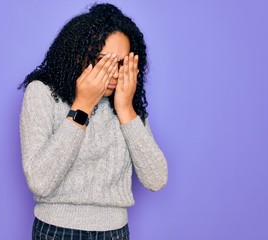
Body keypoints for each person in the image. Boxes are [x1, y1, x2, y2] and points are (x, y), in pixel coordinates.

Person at [19, 3, 168, 240]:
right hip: (56, 232)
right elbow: (40, 182)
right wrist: (83, 106)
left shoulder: (127, 103)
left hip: (115, 232)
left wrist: (126, 109)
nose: (114, 73)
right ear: (78, 55)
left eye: (121, 64)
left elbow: (156, 179)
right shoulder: (42, 93)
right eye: (103, 61)